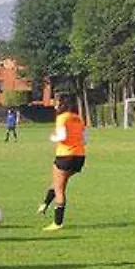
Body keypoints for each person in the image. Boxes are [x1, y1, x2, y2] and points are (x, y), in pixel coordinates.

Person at [39, 93, 86, 231]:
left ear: (63, 104)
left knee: (59, 189)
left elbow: (62, 136)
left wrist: (52, 137)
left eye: (57, 102)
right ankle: (45, 204)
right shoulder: (78, 118)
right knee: (58, 182)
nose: (55, 104)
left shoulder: (62, 118)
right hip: (80, 156)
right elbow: (85, 140)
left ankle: (57, 223)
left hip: (65, 155)